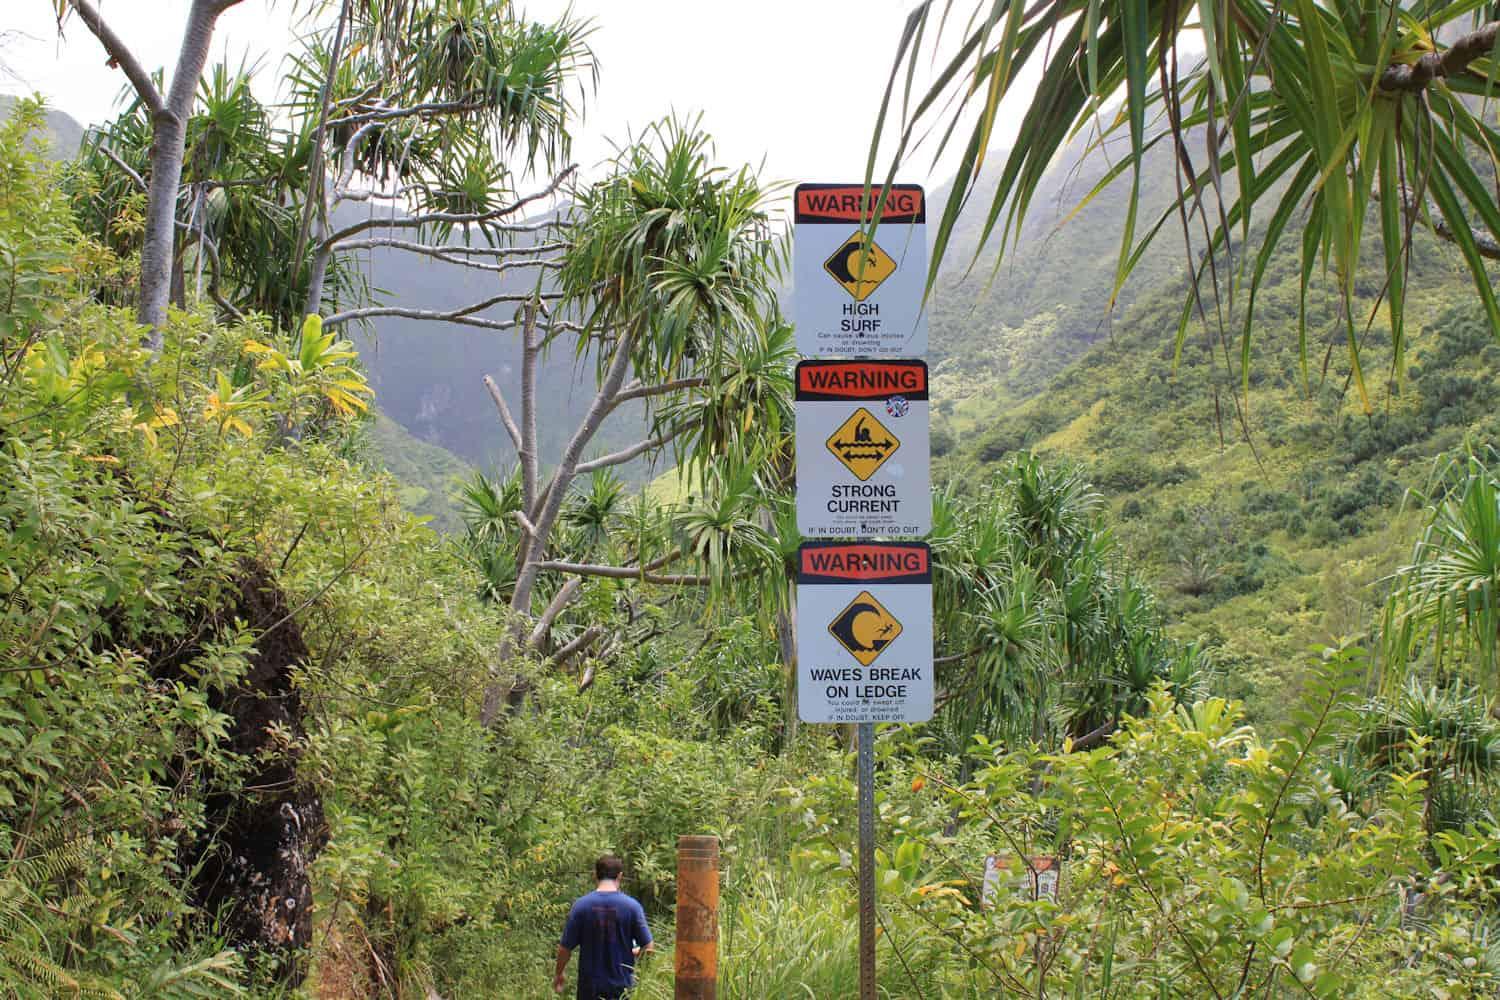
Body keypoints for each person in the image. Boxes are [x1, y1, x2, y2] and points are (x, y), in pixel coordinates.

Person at [554, 854, 653, 999]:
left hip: (589, 989)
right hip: (622, 988)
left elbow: (565, 949)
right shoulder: (632, 907)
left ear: (595, 875)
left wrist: (559, 974)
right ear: (620, 876)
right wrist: (636, 955)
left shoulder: (581, 906)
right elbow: (649, 948)